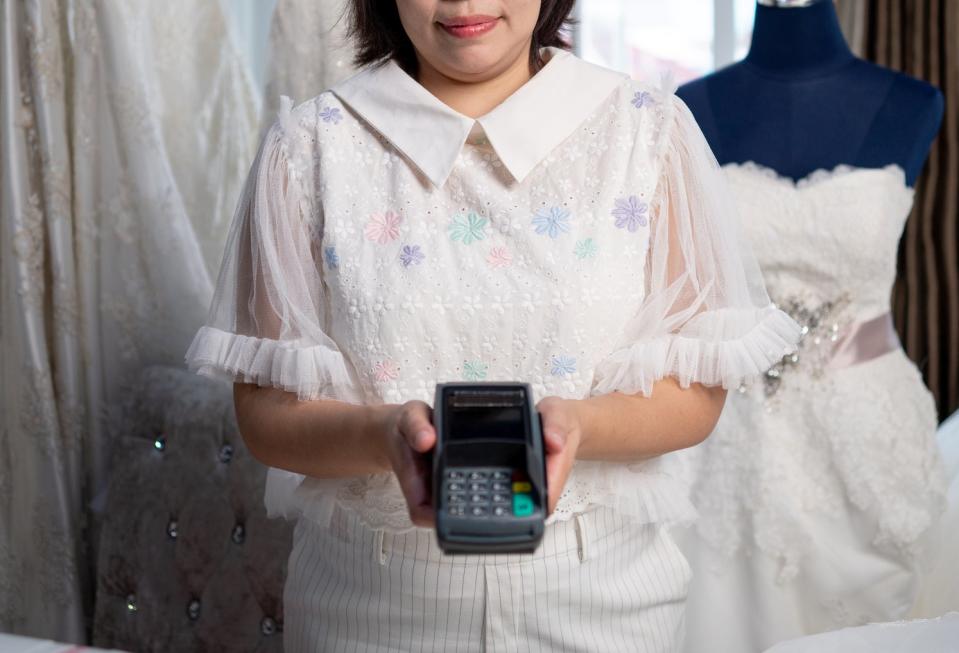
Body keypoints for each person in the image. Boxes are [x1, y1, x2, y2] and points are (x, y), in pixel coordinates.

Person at [184, 1, 800, 650]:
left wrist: (580, 425)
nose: (464, 2)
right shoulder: (308, 147)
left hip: (604, 601)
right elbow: (265, 413)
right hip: (371, 603)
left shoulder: (647, 133)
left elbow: (696, 395)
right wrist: (383, 435)